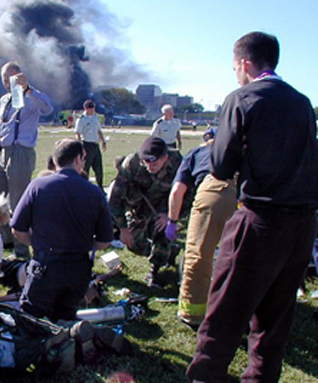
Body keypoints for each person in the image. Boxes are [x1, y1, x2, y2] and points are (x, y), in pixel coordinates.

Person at [187, 32, 318, 382]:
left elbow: (220, 166)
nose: (236, 75)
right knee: (275, 319)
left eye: (235, 69)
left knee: (225, 310)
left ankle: (206, 375)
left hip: (261, 219)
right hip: (303, 224)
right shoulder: (303, 101)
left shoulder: (243, 98)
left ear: (245, 63)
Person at [10, 138, 114, 322]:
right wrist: (83, 245)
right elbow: (105, 240)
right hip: (79, 269)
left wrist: (37, 243)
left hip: (46, 266)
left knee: (30, 321)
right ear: (78, 159)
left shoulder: (38, 186)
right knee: (65, 320)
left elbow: (17, 228)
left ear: (56, 160)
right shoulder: (95, 192)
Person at [0, 61, 53, 257]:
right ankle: (4, 240)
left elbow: (47, 108)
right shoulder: (4, 100)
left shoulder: (31, 97)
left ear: (20, 76)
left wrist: (28, 89)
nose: (7, 83)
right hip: (2, 153)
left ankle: (21, 250)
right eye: (4, 79)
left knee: (18, 202)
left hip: (21, 153)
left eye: (11, 78)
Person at [165, 128, 236, 328]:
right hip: (246, 197)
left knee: (198, 255)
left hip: (214, 192)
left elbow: (178, 190)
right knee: (242, 257)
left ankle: (193, 314)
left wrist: (172, 221)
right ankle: (242, 312)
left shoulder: (196, 153)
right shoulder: (240, 150)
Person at [108, 136, 182, 288]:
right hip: (139, 206)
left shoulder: (177, 162)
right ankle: (168, 251)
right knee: (133, 243)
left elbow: (187, 194)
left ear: (165, 158)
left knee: (162, 235)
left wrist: (171, 215)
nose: (149, 167)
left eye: (154, 163)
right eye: (145, 163)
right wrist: (122, 229)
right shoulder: (131, 164)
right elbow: (114, 199)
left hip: (164, 206)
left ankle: (155, 270)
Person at [75, 99, 106, 189]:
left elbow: (99, 131)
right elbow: (78, 133)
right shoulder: (81, 119)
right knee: (85, 168)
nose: (92, 110)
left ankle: (100, 187)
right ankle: (83, 187)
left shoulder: (95, 118)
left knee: (99, 168)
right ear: (85, 108)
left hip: (95, 145)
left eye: (93, 108)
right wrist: (80, 146)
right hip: (86, 145)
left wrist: (103, 141)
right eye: (90, 108)